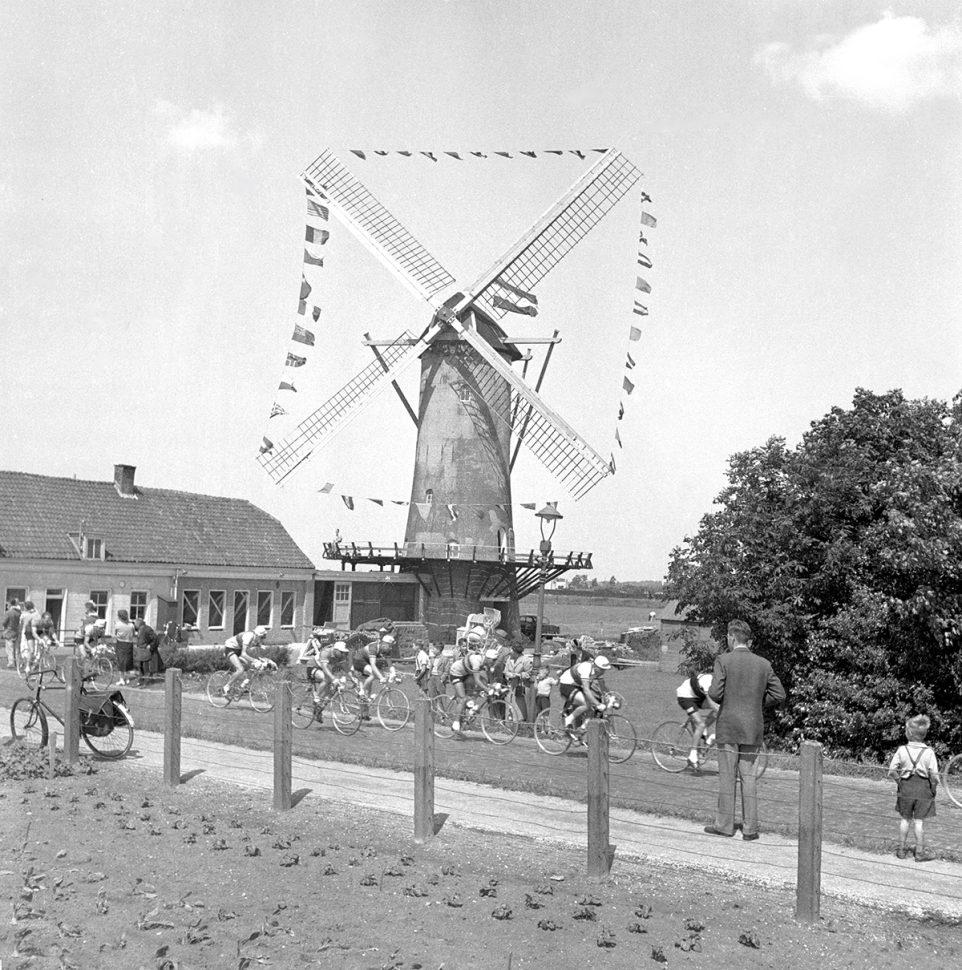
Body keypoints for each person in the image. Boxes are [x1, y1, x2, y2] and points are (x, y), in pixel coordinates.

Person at [704, 619, 786, 841]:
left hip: (729, 726)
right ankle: (750, 829)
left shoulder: (723, 660)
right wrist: (758, 702)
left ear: (731, 637)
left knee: (727, 777)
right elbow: (780, 695)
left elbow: (714, 694)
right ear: (747, 640)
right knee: (748, 777)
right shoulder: (763, 664)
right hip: (753, 726)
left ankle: (724, 826)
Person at [888, 714, 940, 861]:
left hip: (905, 787)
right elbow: (935, 776)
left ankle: (901, 851)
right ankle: (919, 852)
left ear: (909, 733)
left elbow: (892, 771)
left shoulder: (902, 750)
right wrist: (933, 788)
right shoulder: (929, 752)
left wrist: (900, 783)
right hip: (923, 788)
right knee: (919, 821)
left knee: (905, 819)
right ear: (924, 734)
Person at [558, 655, 612, 738]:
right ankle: (567, 720)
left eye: (605, 670)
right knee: (586, 704)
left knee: (592, 708)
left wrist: (609, 696)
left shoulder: (598, 672)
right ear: (596, 667)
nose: (604, 672)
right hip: (566, 684)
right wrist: (599, 704)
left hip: (577, 685)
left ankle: (581, 730)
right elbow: (587, 690)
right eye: (603, 670)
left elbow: (602, 686)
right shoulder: (586, 668)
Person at [676, 672, 720, 770]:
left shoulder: (720, 684)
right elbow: (712, 704)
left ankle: (706, 733)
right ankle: (692, 755)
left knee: (721, 709)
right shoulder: (708, 682)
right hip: (685, 696)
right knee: (700, 724)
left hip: (698, 696)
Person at [303, 631, 350, 721]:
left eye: (344, 653)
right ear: (336, 650)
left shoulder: (340, 656)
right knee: (327, 678)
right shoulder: (326, 652)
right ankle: (317, 698)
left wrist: (352, 678)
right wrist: (333, 679)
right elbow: (324, 668)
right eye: (342, 652)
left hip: (325, 669)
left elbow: (345, 669)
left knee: (332, 690)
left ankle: (318, 710)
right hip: (313, 666)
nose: (343, 654)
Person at [448, 641, 487, 738]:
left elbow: (484, 678)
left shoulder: (483, 660)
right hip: (456, 673)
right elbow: (477, 680)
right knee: (463, 699)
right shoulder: (476, 660)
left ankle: (469, 710)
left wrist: (489, 686)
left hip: (466, 674)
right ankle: (456, 723)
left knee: (474, 693)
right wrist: (487, 689)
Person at [223, 625, 269, 693]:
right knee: (240, 669)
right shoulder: (249, 636)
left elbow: (255, 648)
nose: (263, 639)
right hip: (230, 649)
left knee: (251, 668)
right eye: (262, 637)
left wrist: (261, 658)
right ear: (258, 635)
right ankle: (227, 686)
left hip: (238, 649)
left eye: (264, 637)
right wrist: (255, 661)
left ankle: (242, 687)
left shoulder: (256, 638)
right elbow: (243, 654)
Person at [503, 641, 533, 722]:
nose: (510, 652)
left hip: (522, 685)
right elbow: (505, 671)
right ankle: (510, 721)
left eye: (511, 650)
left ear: (515, 651)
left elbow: (529, 673)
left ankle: (521, 721)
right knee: (509, 702)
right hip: (511, 684)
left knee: (520, 703)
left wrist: (519, 675)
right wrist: (510, 675)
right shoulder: (510, 659)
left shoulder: (525, 660)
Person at [133, 618, 160, 684]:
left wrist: (150, 646)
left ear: (138, 623)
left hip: (146, 651)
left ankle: (147, 681)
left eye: (135, 624)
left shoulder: (147, 629)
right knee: (140, 666)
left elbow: (155, 638)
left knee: (146, 667)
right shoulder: (140, 629)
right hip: (141, 651)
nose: (134, 625)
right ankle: (141, 680)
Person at [113, 609, 136, 684]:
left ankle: (121, 679)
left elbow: (115, 634)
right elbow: (133, 634)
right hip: (129, 643)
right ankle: (127, 678)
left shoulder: (118, 625)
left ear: (119, 616)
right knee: (128, 661)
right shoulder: (131, 625)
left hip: (120, 643)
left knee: (121, 661)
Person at [19, 600, 40, 669]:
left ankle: (26, 663)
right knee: (34, 648)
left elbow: (20, 622)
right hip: (34, 631)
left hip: (27, 631)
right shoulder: (36, 613)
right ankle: (33, 662)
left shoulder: (24, 614)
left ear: (26, 607)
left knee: (25, 647)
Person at [2, 598, 22, 669]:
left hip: (9, 632)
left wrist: (5, 626)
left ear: (10, 604)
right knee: (17, 649)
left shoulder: (9, 612)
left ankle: (11, 663)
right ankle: (17, 662)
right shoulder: (19, 612)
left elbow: (4, 622)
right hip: (17, 632)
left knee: (10, 648)